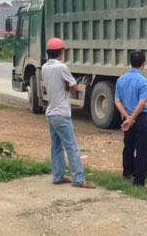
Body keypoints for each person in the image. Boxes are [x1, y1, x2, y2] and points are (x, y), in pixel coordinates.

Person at [41, 37, 95, 189]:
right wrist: (67, 87)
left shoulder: (45, 67)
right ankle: (79, 178)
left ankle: (58, 176)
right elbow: (74, 86)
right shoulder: (61, 67)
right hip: (62, 113)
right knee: (72, 147)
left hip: (51, 111)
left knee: (56, 146)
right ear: (61, 52)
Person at [114, 51, 147, 187]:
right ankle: (139, 181)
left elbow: (117, 100)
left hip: (127, 117)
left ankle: (127, 173)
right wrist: (133, 118)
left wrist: (128, 117)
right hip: (141, 118)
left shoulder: (121, 79)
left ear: (131, 63)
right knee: (143, 150)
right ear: (143, 64)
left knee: (128, 147)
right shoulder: (144, 81)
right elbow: (142, 102)